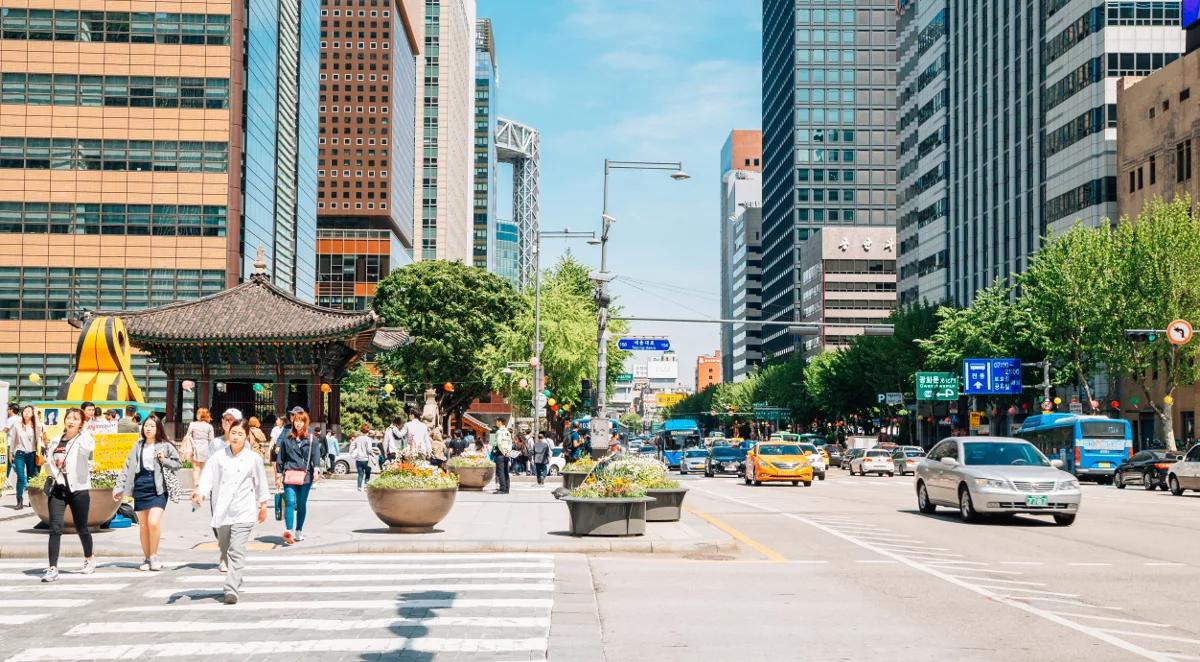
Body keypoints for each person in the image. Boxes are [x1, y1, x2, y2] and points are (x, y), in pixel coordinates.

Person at [192, 419, 269, 605]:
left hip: (245, 509)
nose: (236, 437)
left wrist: (263, 505)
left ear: (246, 436)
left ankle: (231, 588)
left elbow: (261, 483)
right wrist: (200, 493)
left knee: (237, 549)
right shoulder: (218, 458)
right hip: (223, 510)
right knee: (225, 547)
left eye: (240, 434)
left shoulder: (254, 459)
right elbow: (207, 477)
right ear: (229, 433)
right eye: (233, 432)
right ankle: (236, 575)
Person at [113, 415, 179, 571]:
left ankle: (154, 556)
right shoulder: (138, 446)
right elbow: (126, 467)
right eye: (146, 426)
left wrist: (164, 460)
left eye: (152, 426)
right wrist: (118, 488)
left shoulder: (165, 446)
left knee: (153, 522)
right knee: (143, 525)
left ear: (158, 428)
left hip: (158, 487)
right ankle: (147, 557)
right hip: (141, 485)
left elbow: (177, 464)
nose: (148, 428)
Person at [41, 408, 96, 583]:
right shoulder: (56, 440)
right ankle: (52, 568)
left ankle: (89, 557)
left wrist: (85, 430)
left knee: (81, 527)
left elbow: (89, 448)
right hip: (58, 488)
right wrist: (51, 469)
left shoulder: (83, 438)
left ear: (81, 422)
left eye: (75, 419)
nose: (71, 421)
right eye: (69, 418)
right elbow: (49, 461)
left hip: (78, 488)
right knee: (55, 528)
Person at [275, 409, 320, 545]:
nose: (298, 423)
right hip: (290, 473)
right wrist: (278, 474)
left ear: (306, 422)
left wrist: (316, 471)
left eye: (301, 421)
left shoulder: (312, 438)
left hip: (305, 475)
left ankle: (298, 530)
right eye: (296, 421)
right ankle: (289, 530)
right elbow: (281, 457)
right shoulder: (287, 438)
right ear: (293, 421)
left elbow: (315, 456)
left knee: (301, 504)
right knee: (289, 501)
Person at [8, 405, 46, 510]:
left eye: (29, 411)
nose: (26, 413)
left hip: (32, 454)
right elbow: (13, 440)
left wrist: (36, 414)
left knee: (31, 478)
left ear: (32, 413)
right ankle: (19, 501)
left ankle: (31, 500)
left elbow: (39, 428)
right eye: (25, 411)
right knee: (20, 477)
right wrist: (11, 453)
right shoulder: (17, 425)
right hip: (20, 454)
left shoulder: (36, 425)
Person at [182, 408, 216, 489]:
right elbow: (211, 440)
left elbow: (187, 435)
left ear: (198, 415)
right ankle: (203, 487)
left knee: (196, 469)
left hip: (195, 448)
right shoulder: (209, 426)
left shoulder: (192, 424)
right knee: (204, 469)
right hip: (205, 449)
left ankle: (195, 487)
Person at [350, 424, 373, 490]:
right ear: (368, 431)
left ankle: (359, 487)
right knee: (367, 473)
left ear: (361, 431)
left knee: (360, 474)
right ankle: (366, 487)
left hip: (359, 459)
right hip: (366, 459)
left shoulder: (357, 439)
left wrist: (352, 453)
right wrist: (372, 452)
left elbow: (352, 446)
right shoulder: (368, 439)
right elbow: (369, 449)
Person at [493, 418, 513, 494]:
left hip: (501, 454)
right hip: (507, 454)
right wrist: (508, 451)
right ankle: (507, 488)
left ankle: (503, 489)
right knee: (506, 471)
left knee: (500, 471)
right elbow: (510, 443)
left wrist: (503, 452)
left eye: (497, 422)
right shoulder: (508, 432)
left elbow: (499, 443)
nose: (496, 423)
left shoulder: (499, 432)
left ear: (500, 422)